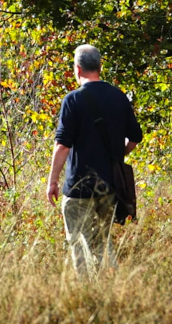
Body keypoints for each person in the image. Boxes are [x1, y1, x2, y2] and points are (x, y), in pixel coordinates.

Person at [46, 44, 143, 276]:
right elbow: (135, 137)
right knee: (101, 242)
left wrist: (52, 181)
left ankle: (89, 293)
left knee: (80, 245)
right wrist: (118, 155)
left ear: (77, 70)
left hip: (78, 188)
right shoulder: (118, 97)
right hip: (109, 187)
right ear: (100, 67)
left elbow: (62, 145)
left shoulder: (73, 100)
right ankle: (109, 286)